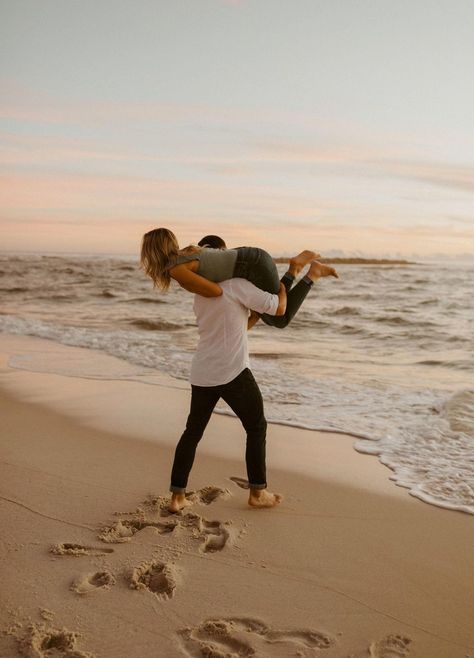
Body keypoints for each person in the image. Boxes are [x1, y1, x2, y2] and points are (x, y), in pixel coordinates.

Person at [168, 250, 338, 512]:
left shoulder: (200, 295)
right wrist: (285, 284)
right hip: (233, 371)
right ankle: (258, 492)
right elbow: (279, 309)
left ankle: (177, 497)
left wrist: (254, 315)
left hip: (203, 372)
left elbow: (233, 327)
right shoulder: (237, 285)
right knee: (256, 428)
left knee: (192, 433)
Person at [140, 228, 338, 329]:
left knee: (280, 319)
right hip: (249, 260)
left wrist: (193, 287)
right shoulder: (182, 257)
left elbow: (216, 291)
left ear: (152, 252)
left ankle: (305, 271)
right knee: (271, 314)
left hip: (251, 265)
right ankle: (298, 269)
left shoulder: (176, 269)